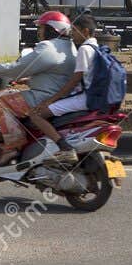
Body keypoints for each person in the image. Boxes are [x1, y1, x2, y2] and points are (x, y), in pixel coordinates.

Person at [0, 11, 76, 165]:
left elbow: (20, 67)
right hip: (61, 95)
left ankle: (11, 148)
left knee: (2, 101)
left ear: (51, 29)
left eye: (41, 28)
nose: (39, 32)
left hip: (44, 97)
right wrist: (28, 80)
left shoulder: (50, 47)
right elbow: (54, 75)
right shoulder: (71, 47)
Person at [28, 15, 99, 158]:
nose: (72, 35)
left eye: (74, 30)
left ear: (85, 32)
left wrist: (51, 100)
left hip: (85, 99)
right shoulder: (97, 47)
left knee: (35, 114)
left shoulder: (84, 49)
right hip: (95, 97)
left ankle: (64, 147)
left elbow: (74, 80)